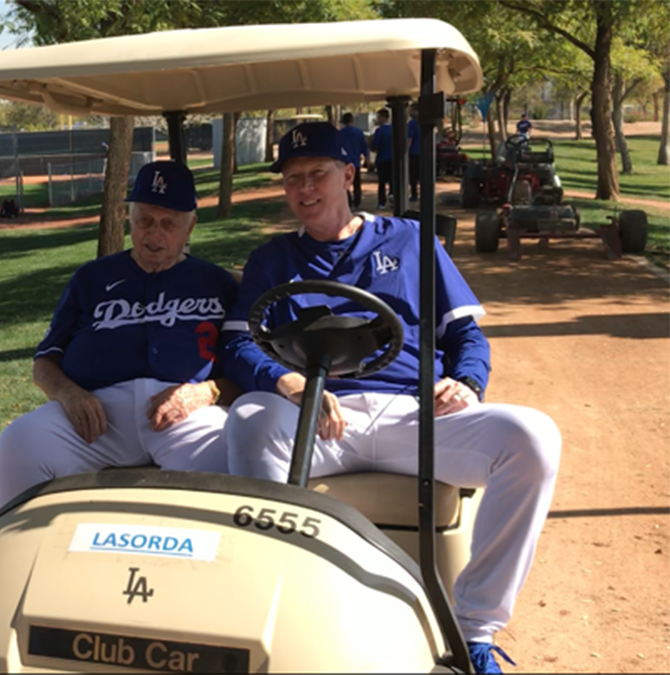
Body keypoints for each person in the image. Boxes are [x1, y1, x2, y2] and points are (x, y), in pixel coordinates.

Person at [221, 122, 561, 674]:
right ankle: (277, 600)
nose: (304, 188)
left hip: (414, 413)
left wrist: (468, 381)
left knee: (533, 438)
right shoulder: (272, 260)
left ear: (349, 175)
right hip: (318, 416)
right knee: (249, 418)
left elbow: (466, 335)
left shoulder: (409, 240)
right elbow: (237, 344)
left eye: (317, 175)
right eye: (292, 179)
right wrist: (285, 381)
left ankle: (473, 629)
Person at [0, 160, 238, 507]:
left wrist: (206, 392)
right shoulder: (91, 278)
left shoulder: (219, 284)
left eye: (168, 224)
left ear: (190, 226)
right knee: (19, 442)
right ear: (129, 220)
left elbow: (245, 364)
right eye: (144, 221)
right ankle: (18, 553)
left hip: (189, 414)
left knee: (232, 459)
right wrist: (68, 394)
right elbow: (45, 360)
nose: (154, 235)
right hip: (95, 421)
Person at [337, 113, 370, 210]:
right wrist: (367, 158)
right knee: (356, 183)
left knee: (344, 184)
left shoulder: (339, 133)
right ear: (352, 120)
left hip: (343, 162)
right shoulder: (358, 132)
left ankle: (348, 201)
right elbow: (364, 146)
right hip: (355, 161)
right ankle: (357, 202)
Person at [369, 107, 394, 210]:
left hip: (382, 159)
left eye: (379, 117)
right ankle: (393, 197)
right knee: (393, 180)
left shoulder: (380, 131)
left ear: (384, 118)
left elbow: (375, 145)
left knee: (382, 182)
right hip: (393, 159)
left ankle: (382, 202)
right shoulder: (395, 129)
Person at [407, 104, 421, 202]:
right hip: (423, 152)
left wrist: (406, 151)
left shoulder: (412, 124)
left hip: (414, 152)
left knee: (413, 175)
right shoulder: (423, 122)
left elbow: (409, 138)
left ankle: (414, 194)